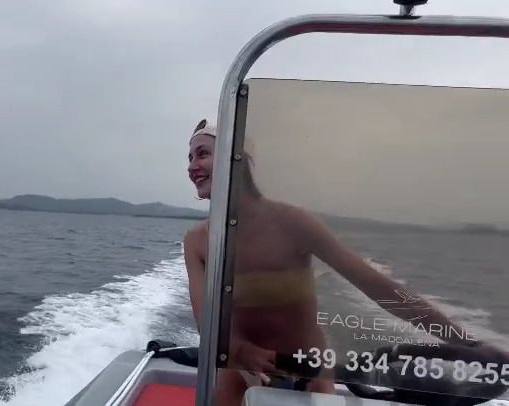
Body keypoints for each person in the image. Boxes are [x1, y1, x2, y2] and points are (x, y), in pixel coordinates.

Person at [182, 118, 503, 405]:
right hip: (240, 368)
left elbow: (380, 288)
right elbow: (206, 320)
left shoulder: (291, 221)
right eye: (190, 158)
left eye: (203, 154)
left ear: (237, 158)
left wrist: (467, 344)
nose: (192, 166)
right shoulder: (197, 241)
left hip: (310, 369)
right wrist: (240, 352)